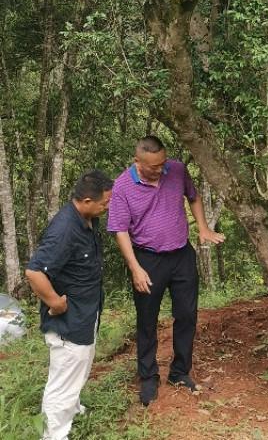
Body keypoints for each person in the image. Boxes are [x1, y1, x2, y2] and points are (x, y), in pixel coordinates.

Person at [107, 135, 224, 406]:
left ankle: (180, 372)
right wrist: (135, 268)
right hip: (147, 259)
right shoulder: (123, 186)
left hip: (181, 254)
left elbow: (192, 197)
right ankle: (148, 376)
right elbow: (120, 230)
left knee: (187, 314)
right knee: (147, 320)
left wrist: (203, 228)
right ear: (137, 161)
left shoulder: (177, 169)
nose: (160, 169)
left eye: (162, 163)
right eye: (153, 166)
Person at [25, 170, 113, 440]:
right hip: (69, 320)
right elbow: (34, 272)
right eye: (104, 203)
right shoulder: (64, 229)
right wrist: (55, 302)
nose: (107, 207)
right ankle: (53, 435)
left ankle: (72, 408)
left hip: (86, 312)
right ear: (87, 201)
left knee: (80, 365)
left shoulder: (87, 219)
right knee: (63, 379)